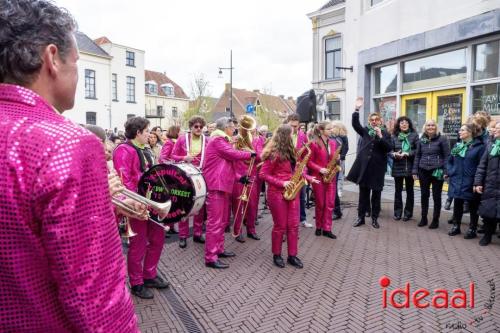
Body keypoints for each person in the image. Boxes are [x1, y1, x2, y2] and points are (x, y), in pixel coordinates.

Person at [0, 1, 138, 331]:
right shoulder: (67, 144)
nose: (77, 74)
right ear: (51, 59)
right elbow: (95, 296)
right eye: (75, 62)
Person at [113, 117, 169, 299]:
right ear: (137, 133)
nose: (150, 135)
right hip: (136, 204)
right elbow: (125, 180)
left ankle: (150, 274)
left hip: (151, 202)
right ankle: (136, 282)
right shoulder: (124, 150)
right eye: (147, 131)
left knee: (158, 239)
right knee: (138, 244)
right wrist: (137, 202)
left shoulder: (146, 149)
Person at [259, 125, 318, 268]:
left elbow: (296, 170)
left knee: (293, 225)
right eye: (292, 134)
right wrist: (282, 183)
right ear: (285, 136)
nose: (294, 136)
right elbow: (263, 174)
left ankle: (292, 255)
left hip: (293, 192)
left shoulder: (292, 152)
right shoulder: (273, 153)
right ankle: (277, 254)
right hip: (277, 193)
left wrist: (309, 178)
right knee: (280, 226)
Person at [203, 117, 254, 269]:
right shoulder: (218, 140)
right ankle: (210, 257)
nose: (234, 130)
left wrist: (240, 178)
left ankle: (218, 249)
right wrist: (250, 154)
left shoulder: (222, 140)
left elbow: (226, 167)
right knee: (215, 222)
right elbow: (233, 154)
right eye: (232, 127)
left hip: (223, 185)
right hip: (217, 186)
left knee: (222, 221)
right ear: (226, 127)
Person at [347, 97, 392, 229]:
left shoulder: (385, 133)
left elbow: (388, 148)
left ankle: (374, 219)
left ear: (380, 121)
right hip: (365, 168)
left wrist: (380, 136)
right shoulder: (365, 131)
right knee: (363, 196)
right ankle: (360, 218)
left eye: (376, 120)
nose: (374, 122)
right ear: (369, 122)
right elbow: (355, 125)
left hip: (377, 169)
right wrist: (356, 109)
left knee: (376, 196)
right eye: (371, 120)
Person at [171, 116, 208, 248]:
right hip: (184, 176)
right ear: (191, 127)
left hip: (200, 176)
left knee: (200, 205)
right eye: (196, 126)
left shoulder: (206, 140)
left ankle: (198, 234)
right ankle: (183, 236)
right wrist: (183, 157)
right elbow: (172, 156)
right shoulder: (182, 139)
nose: (198, 129)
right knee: (184, 205)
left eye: (201, 127)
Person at [447, 124, 485, 238]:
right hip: (456, 180)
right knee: (457, 204)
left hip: (470, 181)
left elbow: (481, 165)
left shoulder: (479, 147)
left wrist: (477, 182)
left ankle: (472, 229)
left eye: (462, 130)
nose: (459, 132)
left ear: (470, 132)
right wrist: (451, 171)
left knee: (473, 206)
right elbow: (449, 161)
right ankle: (456, 226)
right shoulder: (457, 145)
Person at [412, 119, 450, 229]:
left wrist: (446, 171)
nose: (430, 127)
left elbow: (447, 156)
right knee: (424, 195)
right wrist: (415, 171)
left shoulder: (442, 139)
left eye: (433, 125)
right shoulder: (421, 140)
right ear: (425, 127)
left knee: (436, 196)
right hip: (423, 170)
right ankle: (424, 218)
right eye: (428, 125)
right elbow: (417, 156)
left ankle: (435, 219)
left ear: (436, 127)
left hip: (437, 171)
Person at [231, 116, 262, 242]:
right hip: (239, 175)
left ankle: (251, 229)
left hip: (252, 174)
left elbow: (260, 157)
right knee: (238, 205)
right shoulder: (234, 140)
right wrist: (234, 146)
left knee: (252, 204)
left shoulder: (257, 140)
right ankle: (237, 231)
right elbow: (230, 156)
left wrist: (249, 151)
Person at [307, 121, 339, 239]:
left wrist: (337, 159)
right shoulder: (314, 144)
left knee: (330, 204)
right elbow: (309, 162)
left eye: (332, 129)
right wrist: (320, 169)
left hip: (331, 177)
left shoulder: (333, 143)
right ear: (321, 131)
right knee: (320, 204)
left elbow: (332, 159)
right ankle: (318, 226)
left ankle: (327, 228)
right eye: (329, 129)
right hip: (319, 177)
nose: (332, 131)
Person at [474, 121, 500, 246]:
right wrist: (478, 182)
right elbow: (482, 166)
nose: (495, 130)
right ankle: (487, 236)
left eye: (499, 129)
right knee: (488, 212)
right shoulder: (490, 146)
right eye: (495, 128)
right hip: (490, 184)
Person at [391, 116, 419, 221]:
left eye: (406, 122)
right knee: (398, 191)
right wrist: (394, 154)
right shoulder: (394, 136)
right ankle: (397, 212)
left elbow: (418, 151)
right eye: (401, 122)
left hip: (410, 167)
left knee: (409, 191)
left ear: (409, 124)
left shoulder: (414, 136)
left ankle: (408, 213)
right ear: (398, 125)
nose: (404, 124)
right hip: (398, 166)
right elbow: (389, 151)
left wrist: (409, 153)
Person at [287, 114, 312, 228]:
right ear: (287, 123)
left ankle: (302, 219)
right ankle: (287, 221)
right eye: (291, 126)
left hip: (299, 168)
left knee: (302, 196)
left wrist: (303, 165)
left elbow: (307, 152)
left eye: (296, 126)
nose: (294, 128)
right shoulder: (283, 135)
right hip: (286, 169)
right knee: (287, 196)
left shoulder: (302, 135)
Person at [331, 121, 349, 219]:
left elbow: (346, 149)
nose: (331, 128)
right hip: (329, 163)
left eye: (333, 127)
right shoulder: (330, 136)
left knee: (333, 187)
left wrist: (340, 157)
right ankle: (328, 211)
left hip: (337, 163)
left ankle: (337, 211)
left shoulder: (342, 137)